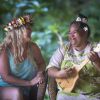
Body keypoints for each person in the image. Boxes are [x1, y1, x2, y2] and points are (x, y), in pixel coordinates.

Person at [47, 14, 100, 100]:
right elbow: (50, 69)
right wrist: (58, 73)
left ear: (84, 33)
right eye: (69, 33)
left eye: (74, 33)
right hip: (67, 94)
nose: (71, 36)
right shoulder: (64, 49)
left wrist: (97, 61)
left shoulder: (96, 49)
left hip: (92, 95)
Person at [0, 15, 46, 100]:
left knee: (19, 93)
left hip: (24, 90)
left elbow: (41, 63)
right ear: (18, 32)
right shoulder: (4, 50)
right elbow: (5, 77)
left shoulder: (33, 47)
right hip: (4, 88)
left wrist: (40, 72)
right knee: (17, 93)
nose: (31, 30)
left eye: (30, 28)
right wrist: (29, 82)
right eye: (27, 28)